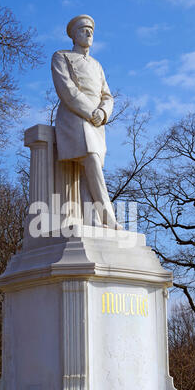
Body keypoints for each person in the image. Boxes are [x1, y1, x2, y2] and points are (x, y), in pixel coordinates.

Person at [51, 14, 122, 229]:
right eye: (83, 29)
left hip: (96, 122)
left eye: (91, 30)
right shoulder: (61, 56)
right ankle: (109, 217)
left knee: (88, 170)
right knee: (91, 160)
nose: (89, 33)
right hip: (75, 117)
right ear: (73, 35)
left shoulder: (97, 65)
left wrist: (103, 112)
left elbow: (108, 95)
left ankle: (92, 221)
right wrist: (91, 111)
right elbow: (67, 90)